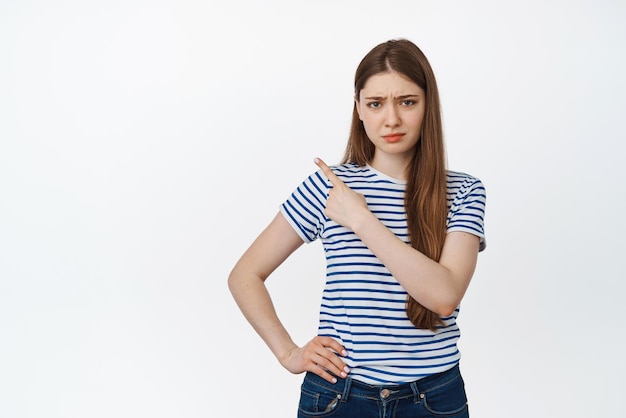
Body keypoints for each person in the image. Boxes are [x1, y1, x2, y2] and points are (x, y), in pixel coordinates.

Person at [228, 38, 486, 418]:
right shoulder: (328, 188)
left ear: (428, 104)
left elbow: (444, 296)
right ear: (359, 110)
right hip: (339, 397)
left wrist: (362, 220)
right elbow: (245, 274)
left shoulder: (463, 191)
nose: (392, 119)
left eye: (408, 101)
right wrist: (288, 353)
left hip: (433, 399)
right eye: (376, 104)